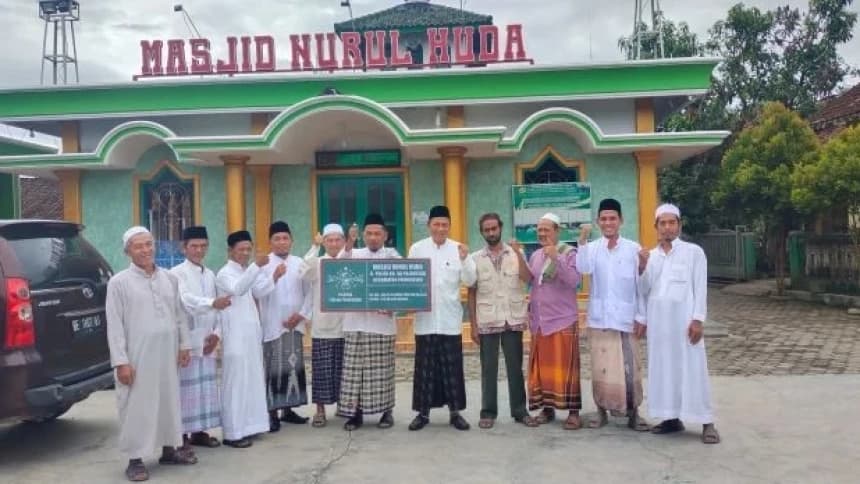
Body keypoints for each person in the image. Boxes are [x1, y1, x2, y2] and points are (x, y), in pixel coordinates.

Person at [106, 226, 195, 482]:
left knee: (168, 400)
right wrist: (121, 362)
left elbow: (179, 314)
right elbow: (114, 325)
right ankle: (135, 460)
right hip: (137, 356)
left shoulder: (169, 278)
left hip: (167, 353)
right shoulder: (119, 283)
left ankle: (169, 450)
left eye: (148, 244)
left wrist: (184, 345)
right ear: (128, 251)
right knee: (136, 406)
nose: (145, 250)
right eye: (138, 246)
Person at [636, 203, 720, 444]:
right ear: (656, 227)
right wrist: (642, 267)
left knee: (694, 369)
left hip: (685, 323)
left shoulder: (694, 252)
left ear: (679, 225)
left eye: (671, 222)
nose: (667, 227)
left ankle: (707, 422)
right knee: (664, 370)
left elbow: (700, 287)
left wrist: (698, 319)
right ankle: (671, 418)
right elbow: (643, 290)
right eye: (662, 223)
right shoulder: (650, 256)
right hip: (660, 325)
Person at [575, 199, 648, 431]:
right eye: (604, 219)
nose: (608, 223)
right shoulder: (592, 248)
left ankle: (634, 413)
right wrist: (582, 241)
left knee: (630, 369)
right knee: (601, 368)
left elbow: (641, 286)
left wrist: (642, 317)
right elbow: (583, 268)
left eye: (612, 218)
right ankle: (601, 411)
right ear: (598, 222)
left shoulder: (633, 249)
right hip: (600, 319)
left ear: (621, 221)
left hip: (626, 320)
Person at [466, 213, 538, 429]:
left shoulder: (516, 253)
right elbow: (471, 292)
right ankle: (488, 412)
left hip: (512, 318)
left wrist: (518, 253)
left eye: (494, 228)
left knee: (515, 368)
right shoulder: (475, 258)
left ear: (500, 228)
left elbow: (528, 279)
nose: (491, 233)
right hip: (487, 319)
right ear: (482, 232)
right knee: (488, 368)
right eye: (487, 230)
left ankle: (520, 411)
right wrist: (473, 325)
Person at [407, 205, 476, 431]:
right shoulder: (417, 249)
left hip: (449, 321)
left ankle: (455, 413)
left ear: (449, 226)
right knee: (425, 370)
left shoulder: (459, 249)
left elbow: (470, 280)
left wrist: (465, 260)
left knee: (452, 370)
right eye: (436, 224)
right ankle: (422, 414)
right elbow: (408, 281)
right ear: (429, 225)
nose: (440, 228)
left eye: (444, 225)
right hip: (425, 321)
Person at [336, 214, 401, 431]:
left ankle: (387, 412)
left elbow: (404, 288)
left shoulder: (393, 257)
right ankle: (355, 414)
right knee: (355, 373)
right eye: (369, 234)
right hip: (355, 324)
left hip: (381, 325)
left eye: (377, 234)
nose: (373, 238)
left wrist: (393, 306)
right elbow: (337, 267)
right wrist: (349, 242)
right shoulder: (353, 254)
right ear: (363, 235)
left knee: (382, 372)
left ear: (385, 235)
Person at [170, 226, 232, 450]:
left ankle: (199, 432)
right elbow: (186, 300)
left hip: (208, 341)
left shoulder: (210, 274)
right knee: (185, 389)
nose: (199, 250)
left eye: (203, 246)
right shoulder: (176, 273)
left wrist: (216, 335)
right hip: (187, 341)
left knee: (205, 388)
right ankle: (181, 436)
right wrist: (212, 303)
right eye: (194, 246)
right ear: (184, 247)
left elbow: (220, 309)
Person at [216, 230, 279, 448]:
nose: (245, 253)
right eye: (241, 249)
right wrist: (256, 266)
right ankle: (233, 433)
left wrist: (274, 277)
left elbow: (259, 291)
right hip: (235, 336)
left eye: (248, 249)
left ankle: (251, 426)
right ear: (230, 251)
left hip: (251, 335)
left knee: (252, 380)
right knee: (236, 383)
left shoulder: (246, 271)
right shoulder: (225, 273)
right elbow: (239, 289)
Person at [524, 213, 583, 429]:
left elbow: (574, 281)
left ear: (557, 231)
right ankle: (547, 409)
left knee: (567, 370)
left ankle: (574, 412)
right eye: (539, 230)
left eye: (546, 230)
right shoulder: (536, 255)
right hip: (540, 322)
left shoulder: (569, 253)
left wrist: (556, 258)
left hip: (562, 321)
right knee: (544, 370)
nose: (542, 233)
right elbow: (531, 283)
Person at [258, 221, 312, 432]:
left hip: (294, 325)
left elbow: (309, 292)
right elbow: (258, 292)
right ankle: (271, 414)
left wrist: (301, 315)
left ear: (291, 241)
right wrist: (274, 276)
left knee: (292, 367)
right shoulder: (264, 264)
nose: (281, 242)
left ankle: (288, 410)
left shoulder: (300, 263)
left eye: (285, 238)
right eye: (277, 238)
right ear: (270, 242)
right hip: (273, 325)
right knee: (273, 369)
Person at [299, 223, 347, 428]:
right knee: (322, 372)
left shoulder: (350, 261)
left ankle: (346, 407)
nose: (334, 244)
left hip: (347, 326)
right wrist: (315, 246)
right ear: (325, 243)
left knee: (346, 372)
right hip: (323, 326)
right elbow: (304, 272)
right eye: (330, 240)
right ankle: (320, 411)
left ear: (343, 241)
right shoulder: (317, 263)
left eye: (337, 240)